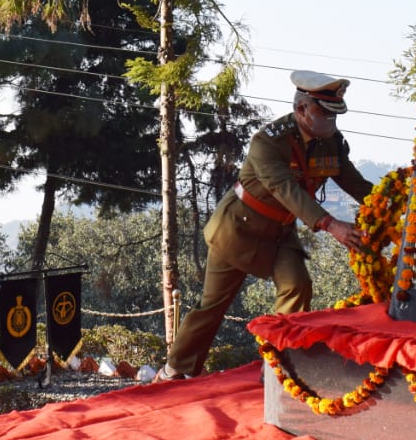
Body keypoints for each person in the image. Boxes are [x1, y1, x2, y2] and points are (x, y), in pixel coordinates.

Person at [156, 71, 372, 382]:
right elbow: (286, 190)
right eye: (323, 113)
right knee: (213, 306)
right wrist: (331, 225)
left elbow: (354, 181)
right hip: (237, 229)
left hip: (280, 233)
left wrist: (389, 203)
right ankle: (175, 370)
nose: (330, 121)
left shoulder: (330, 142)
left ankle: (277, 367)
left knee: (297, 286)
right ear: (302, 110)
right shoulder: (268, 142)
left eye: (333, 114)